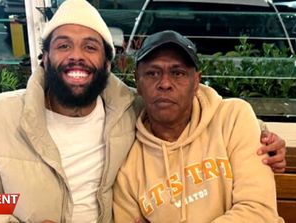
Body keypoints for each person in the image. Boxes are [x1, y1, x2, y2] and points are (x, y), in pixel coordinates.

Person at [0, 0, 284, 222]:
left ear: (107, 64)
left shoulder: (128, 108)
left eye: (90, 47)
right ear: (44, 58)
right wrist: (13, 212)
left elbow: (200, 108)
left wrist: (265, 137)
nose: (76, 56)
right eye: (63, 45)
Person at [113, 30, 285, 223]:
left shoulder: (234, 118)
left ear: (196, 81)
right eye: (152, 73)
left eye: (178, 73)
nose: (165, 83)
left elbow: (258, 212)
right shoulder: (128, 162)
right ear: (138, 82)